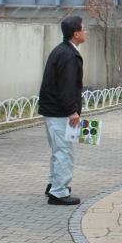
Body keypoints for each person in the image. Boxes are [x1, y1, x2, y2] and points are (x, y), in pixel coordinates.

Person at [39, 16, 85, 206]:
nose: (85, 31)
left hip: (52, 110)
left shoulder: (61, 50)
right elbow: (67, 86)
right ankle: (59, 192)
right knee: (64, 152)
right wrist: (72, 111)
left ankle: (54, 184)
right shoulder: (68, 55)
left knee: (57, 150)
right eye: (84, 28)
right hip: (59, 112)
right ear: (76, 33)